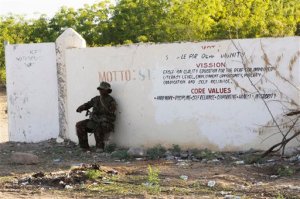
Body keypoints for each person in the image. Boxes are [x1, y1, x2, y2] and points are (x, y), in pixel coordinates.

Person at [76, 81, 117, 151]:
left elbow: (112, 117)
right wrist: (81, 108)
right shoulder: (96, 99)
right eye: (100, 89)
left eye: (102, 89)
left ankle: (100, 148)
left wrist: (101, 119)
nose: (100, 91)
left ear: (107, 90)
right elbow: (88, 104)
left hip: (106, 124)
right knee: (79, 125)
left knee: (98, 126)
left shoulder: (111, 101)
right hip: (94, 121)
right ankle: (84, 147)